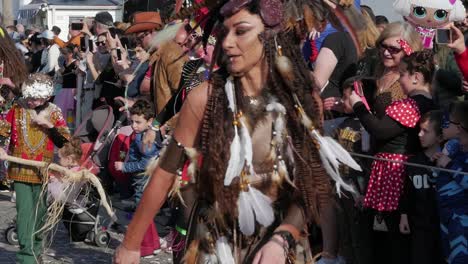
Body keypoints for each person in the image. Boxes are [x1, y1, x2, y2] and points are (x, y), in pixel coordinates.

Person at [114, 0, 360, 263]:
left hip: (279, 248)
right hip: (213, 245)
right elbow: (164, 173)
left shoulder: (301, 98)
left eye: (240, 31)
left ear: (270, 36)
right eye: (224, 32)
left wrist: (284, 236)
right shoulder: (205, 98)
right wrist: (131, 244)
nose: (228, 42)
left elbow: (311, 182)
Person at [350, 50, 436, 263]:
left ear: (416, 77)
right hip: (408, 171)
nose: (401, 79)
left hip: (396, 172)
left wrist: (358, 105)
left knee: (396, 237)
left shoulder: (412, 104)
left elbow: (379, 130)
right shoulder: (429, 102)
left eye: (404, 74)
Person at [0, 73, 70, 264]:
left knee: (40, 214)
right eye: (29, 98)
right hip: (20, 169)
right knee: (24, 213)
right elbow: (3, 128)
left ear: (47, 97)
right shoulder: (17, 107)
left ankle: (36, 249)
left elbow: (64, 140)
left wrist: (49, 126)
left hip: (43, 171)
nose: (31, 102)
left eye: (36, 99)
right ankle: (26, 257)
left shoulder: (54, 112)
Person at [114, 99, 162, 258]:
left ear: (149, 122)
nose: (134, 125)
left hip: (143, 179)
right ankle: (154, 245)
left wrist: (125, 167)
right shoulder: (140, 134)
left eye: (138, 122)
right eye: (132, 121)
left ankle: (147, 247)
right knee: (146, 213)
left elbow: (145, 163)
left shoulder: (144, 138)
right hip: (143, 179)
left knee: (142, 213)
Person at [398, 111, 445, 264]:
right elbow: (407, 192)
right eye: (419, 129)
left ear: (440, 136)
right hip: (420, 227)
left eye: (426, 131)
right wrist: (404, 215)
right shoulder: (413, 162)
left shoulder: (449, 163)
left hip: (444, 227)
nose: (419, 134)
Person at [433, 102, 468, 264]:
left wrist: (449, 165)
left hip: (462, 220)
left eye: (450, 121)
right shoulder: (452, 147)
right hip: (447, 218)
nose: (445, 125)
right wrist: (438, 164)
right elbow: (437, 179)